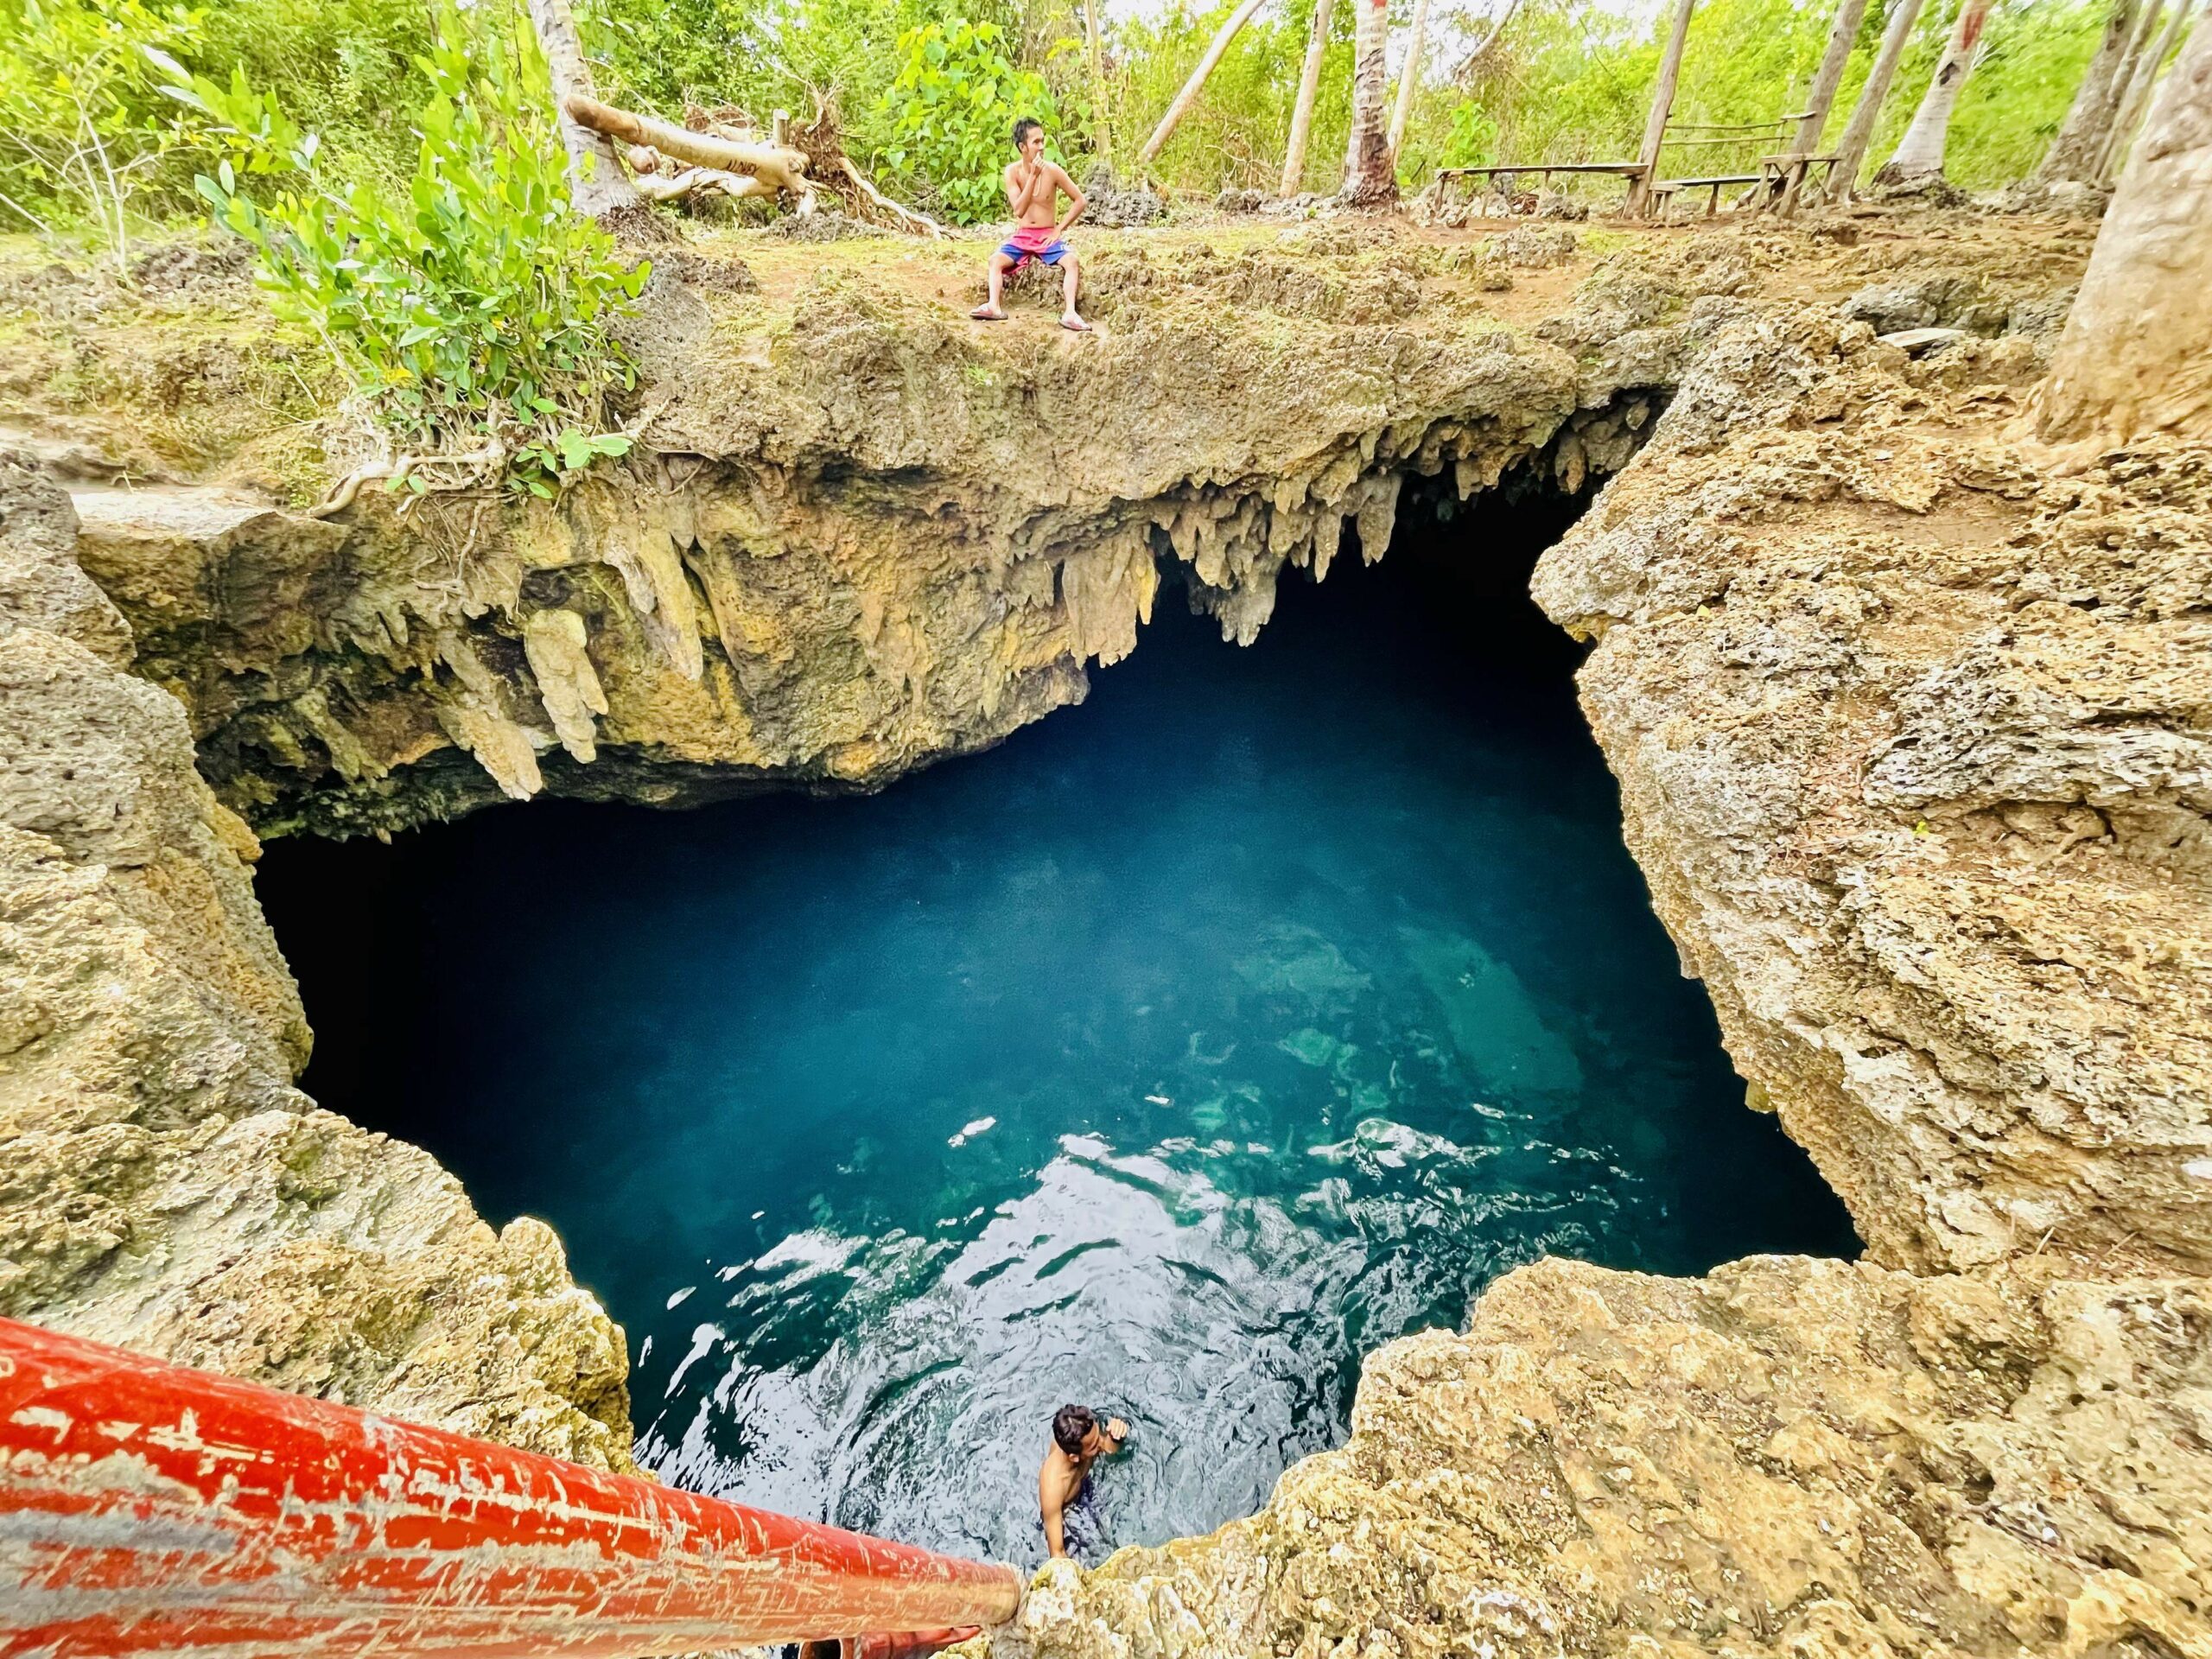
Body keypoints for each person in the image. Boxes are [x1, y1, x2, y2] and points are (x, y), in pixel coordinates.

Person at [971, 117, 1090, 331]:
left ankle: (1070, 313)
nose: (1041, 147)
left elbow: (1080, 200)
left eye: (1042, 141)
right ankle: (993, 306)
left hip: (1047, 236)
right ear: (1022, 147)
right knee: (995, 261)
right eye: (1036, 142)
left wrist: (1058, 229)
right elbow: (1018, 210)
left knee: (1071, 261)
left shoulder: (1053, 170)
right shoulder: (1012, 172)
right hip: (1023, 236)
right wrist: (1033, 177)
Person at [1039, 1402, 1128, 1559]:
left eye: (1098, 1435)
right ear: (1074, 1457)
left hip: (1086, 1485)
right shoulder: (1053, 1487)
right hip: (1067, 1513)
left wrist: (1116, 1437)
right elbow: (1057, 1553)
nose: (1100, 1442)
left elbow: (1110, 1450)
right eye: (1094, 1445)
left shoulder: (1085, 1431)